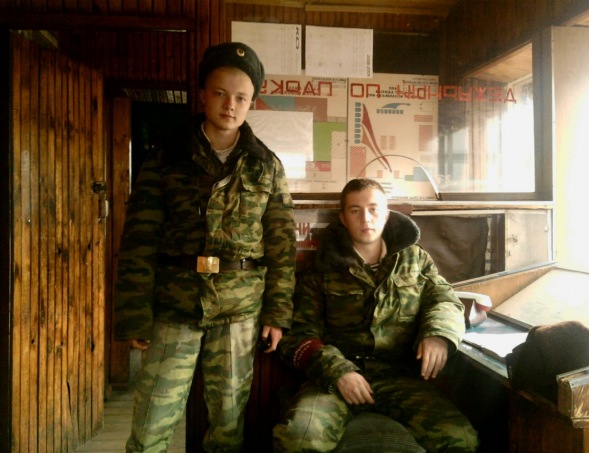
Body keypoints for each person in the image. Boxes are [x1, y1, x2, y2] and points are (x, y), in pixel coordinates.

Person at [114, 42, 296, 452]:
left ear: (252, 102)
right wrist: (134, 316)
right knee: (151, 422)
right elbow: (139, 238)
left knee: (227, 426)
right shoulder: (166, 158)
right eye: (220, 93)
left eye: (241, 97)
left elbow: (282, 246)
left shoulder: (266, 165)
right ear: (202, 94)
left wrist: (277, 315)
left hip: (239, 310)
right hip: (174, 306)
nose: (230, 105)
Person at [273, 178, 479, 452]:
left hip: (398, 377)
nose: (366, 218)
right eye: (355, 210)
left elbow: (444, 300)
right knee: (297, 440)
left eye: (373, 209)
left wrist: (439, 335)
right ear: (343, 218)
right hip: (335, 379)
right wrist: (339, 372)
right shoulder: (322, 267)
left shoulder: (414, 260)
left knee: (461, 439)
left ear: (387, 214)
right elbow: (298, 335)